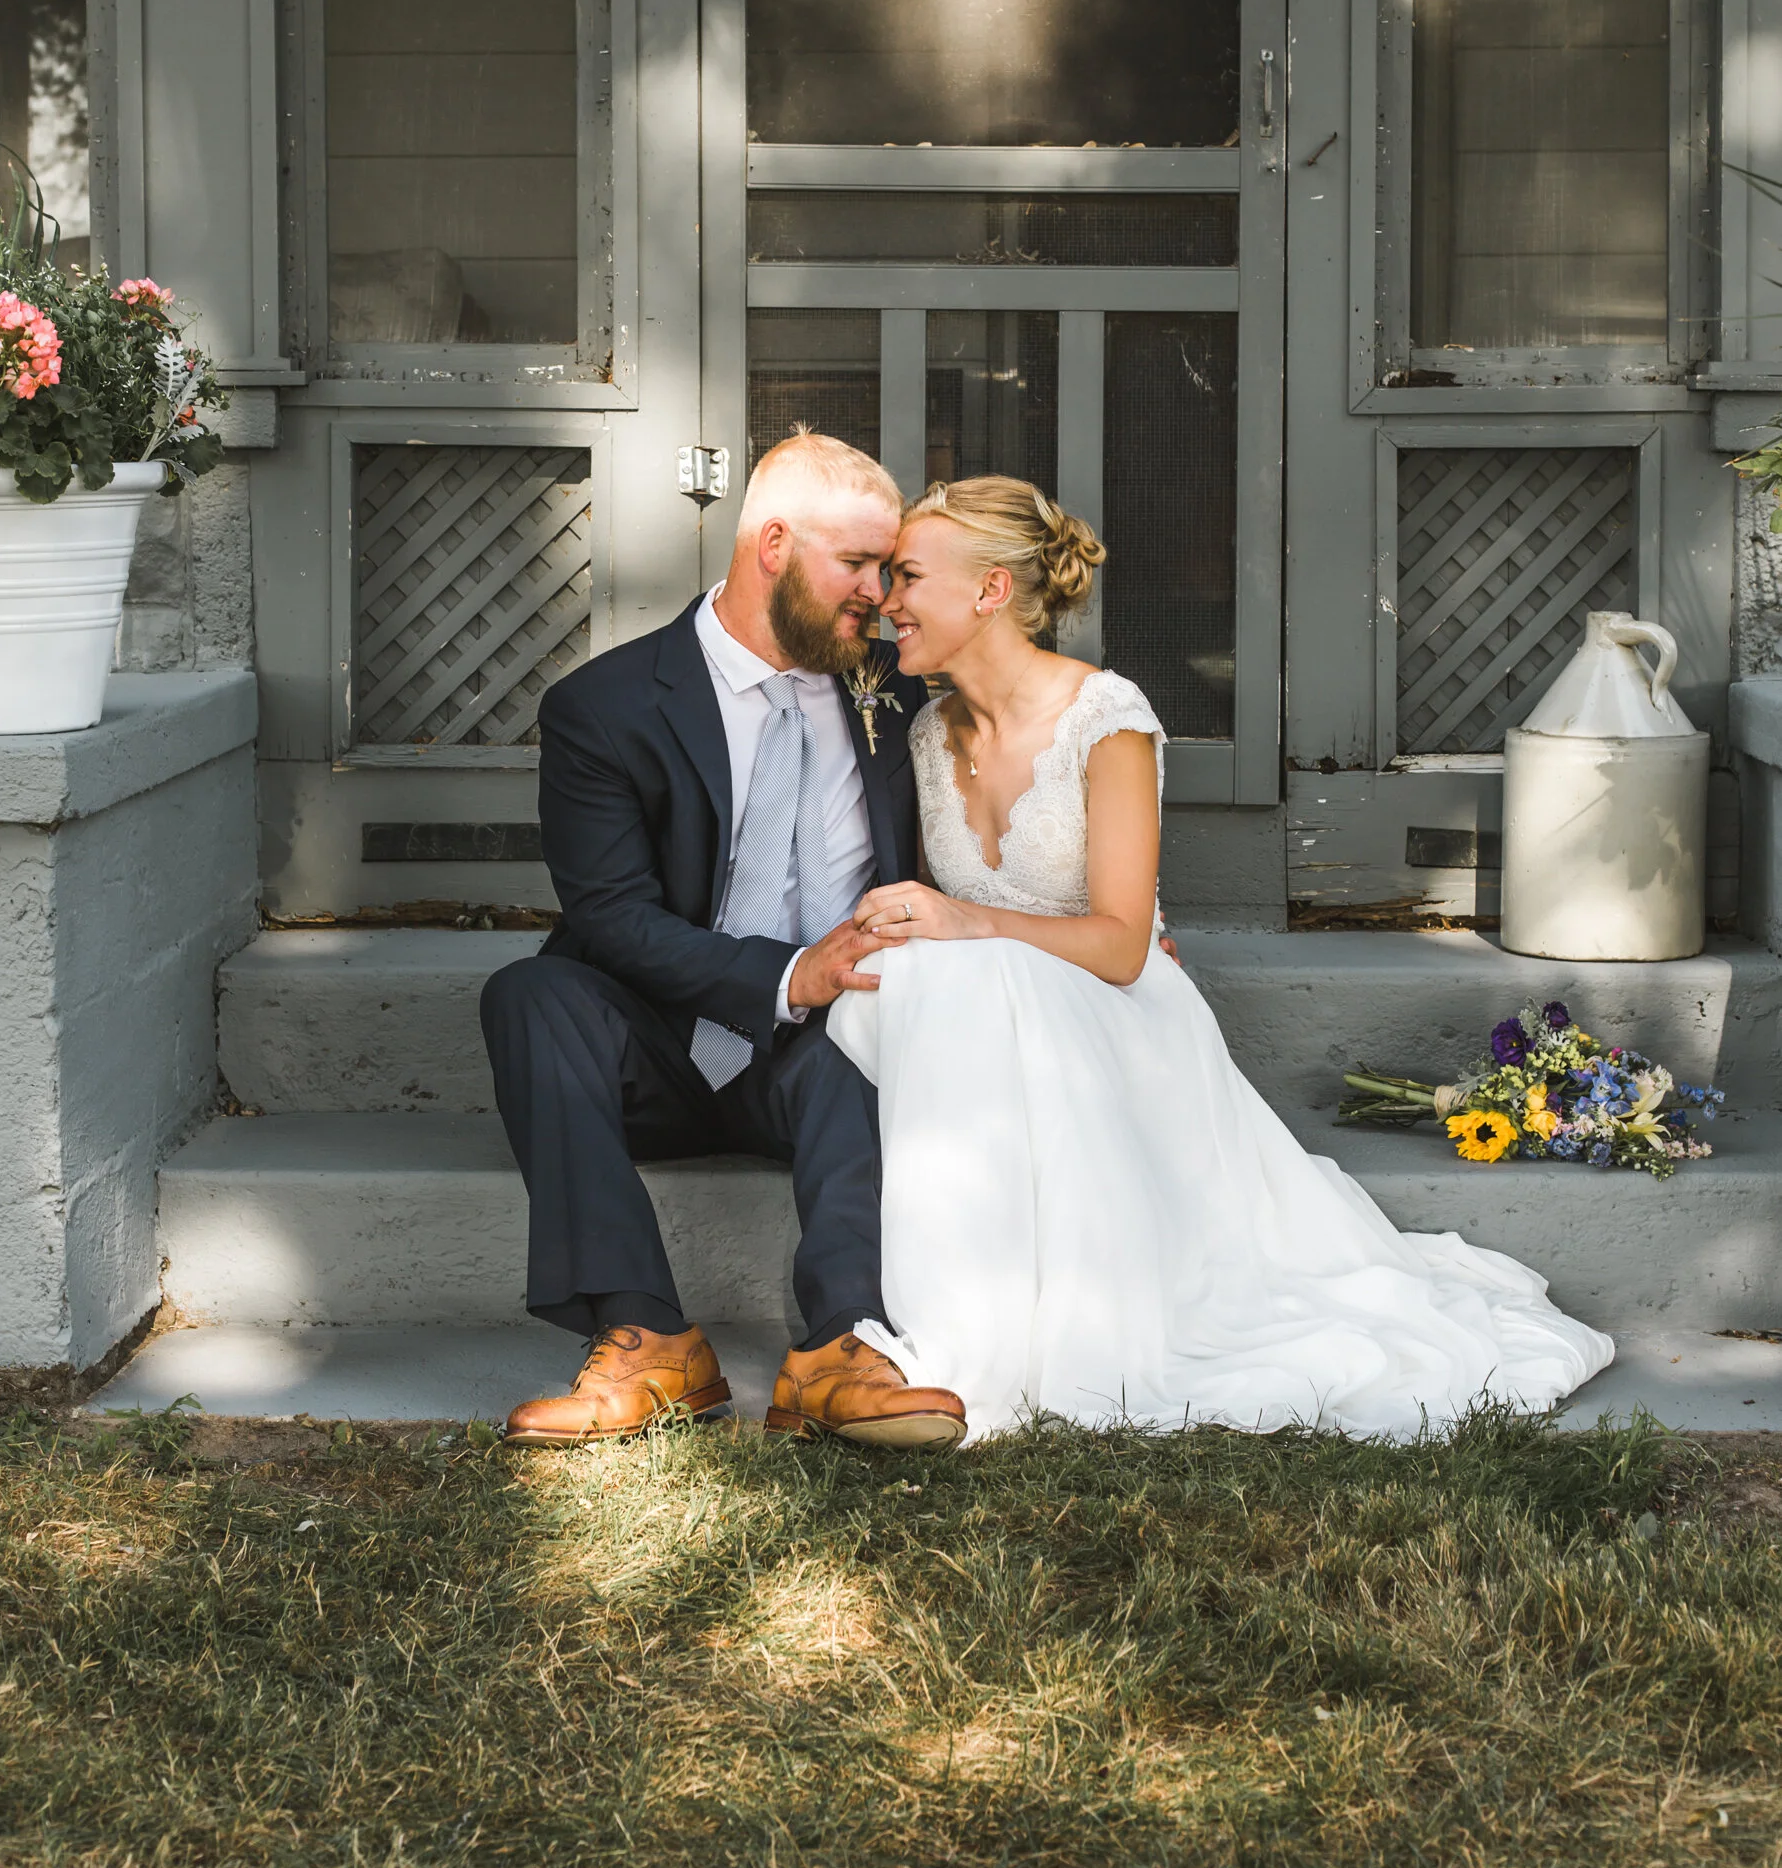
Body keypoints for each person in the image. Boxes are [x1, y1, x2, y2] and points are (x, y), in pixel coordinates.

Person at [828, 474, 1615, 1440]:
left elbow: (1121, 947)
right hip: (992, 1023)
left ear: (990, 590)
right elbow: (941, 926)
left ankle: (1010, 1336)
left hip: (1116, 1015)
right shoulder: (922, 731)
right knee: (914, 981)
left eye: (907, 576)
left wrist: (963, 923)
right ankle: (952, 1318)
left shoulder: (1104, 719)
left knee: (967, 968)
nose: (885, 601)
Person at [481, 431, 965, 1449]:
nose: (880, 592)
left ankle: (845, 1349)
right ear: (774, 545)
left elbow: (991, 819)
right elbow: (611, 917)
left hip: (825, 1049)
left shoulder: (900, 686)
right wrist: (791, 972)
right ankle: (650, 1339)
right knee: (531, 994)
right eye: (859, 564)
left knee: (860, 1032)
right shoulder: (603, 709)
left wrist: (1085, 926)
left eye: (889, 568)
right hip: (661, 1042)